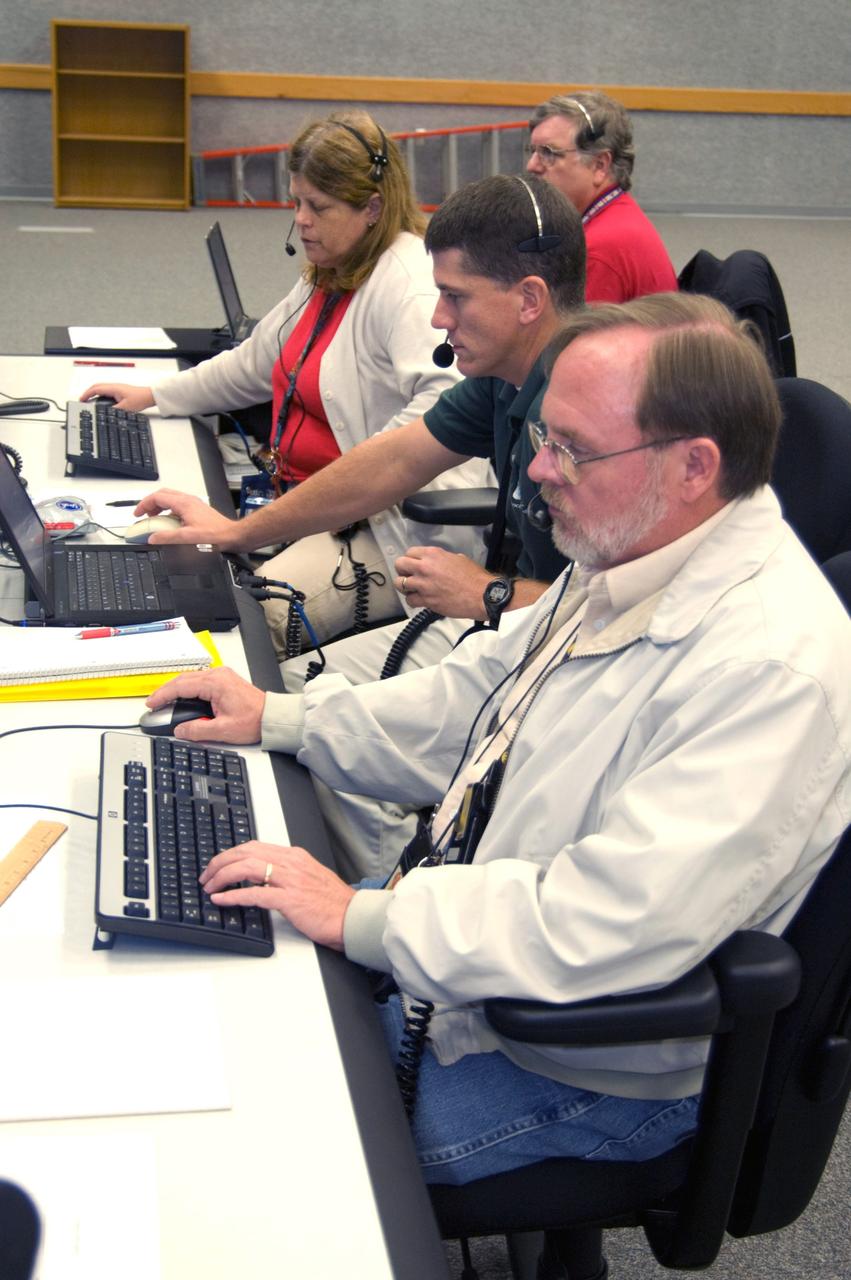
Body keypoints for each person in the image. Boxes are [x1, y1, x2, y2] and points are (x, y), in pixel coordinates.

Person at [143, 293, 851, 1187]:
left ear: (692, 467)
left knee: (253, 1163)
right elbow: (470, 703)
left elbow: (611, 924)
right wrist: (283, 719)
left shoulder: (767, 667)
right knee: (214, 992)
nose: (537, 472)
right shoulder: (626, 555)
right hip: (482, 945)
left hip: (575, 1058)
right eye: (544, 436)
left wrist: (362, 915)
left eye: (572, 449)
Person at [134, 174, 585, 690]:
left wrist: (491, 593)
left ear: (530, 300)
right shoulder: (504, 378)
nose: (439, 317)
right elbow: (391, 461)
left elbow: (635, 607)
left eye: (456, 297)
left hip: (562, 658)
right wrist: (236, 532)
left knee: (283, 698)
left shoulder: (595, 417)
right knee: (281, 687)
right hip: (511, 622)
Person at [82, 109, 491, 655]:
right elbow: (257, 361)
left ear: (372, 208)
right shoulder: (335, 269)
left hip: (382, 528)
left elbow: (435, 420)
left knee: (240, 628)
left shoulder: (408, 288)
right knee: (171, 567)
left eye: (317, 207)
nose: (300, 220)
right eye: (296, 201)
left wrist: (268, 523)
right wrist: (157, 395)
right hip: (307, 504)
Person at [527, 91, 678, 303]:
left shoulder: (601, 250)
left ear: (600, 165)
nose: (531, 165)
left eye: (549, 153)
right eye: (532, 151)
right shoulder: (618, 216)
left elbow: (572, 336)